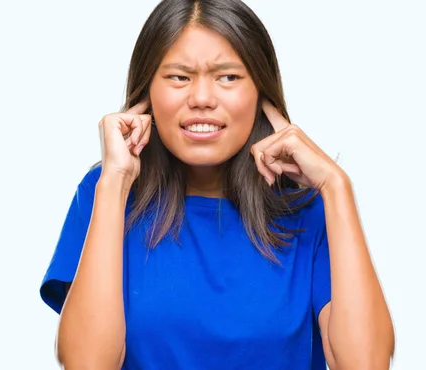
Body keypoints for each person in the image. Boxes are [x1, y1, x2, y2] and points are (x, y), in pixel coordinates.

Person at [39, 0, 395, 368]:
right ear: (147, 92)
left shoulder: (307, 205)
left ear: (260, 91)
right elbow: (86, 364)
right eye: (179, 77)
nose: (202, 99)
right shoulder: (104, 193)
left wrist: (336, 188)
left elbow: (365, 364)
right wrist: (114, 182)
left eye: (228, 77)